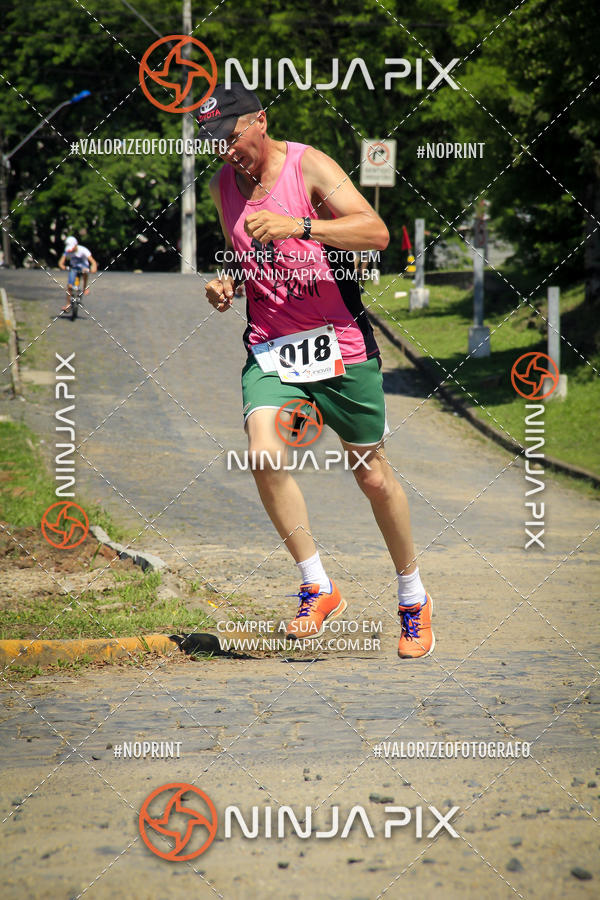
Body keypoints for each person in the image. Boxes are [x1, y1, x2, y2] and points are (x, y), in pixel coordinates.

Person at [201, 84, 434, 659]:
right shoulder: (222, 185)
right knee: (263, 453)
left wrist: (300, 226)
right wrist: (228, 279)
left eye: (232, 138)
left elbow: (374, 232)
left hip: (341, 345)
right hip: (272, 347)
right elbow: (243, 249)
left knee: (372, 476)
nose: (227, 152)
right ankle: (317, 585)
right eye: (215, 144)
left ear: (259, 120)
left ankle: (412, 597)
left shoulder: (309, 167)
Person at [58, 236, 97, 311]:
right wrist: (62, 266)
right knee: (69, 286)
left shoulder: (83, 250)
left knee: (85, 271)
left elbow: (93, 261)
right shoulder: (67, 250)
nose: (71, 249)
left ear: (76, 244)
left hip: (84, 267)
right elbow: (61, 262)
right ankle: (68, 304)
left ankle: (85, 288)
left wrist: (94, 268)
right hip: (74, 268)